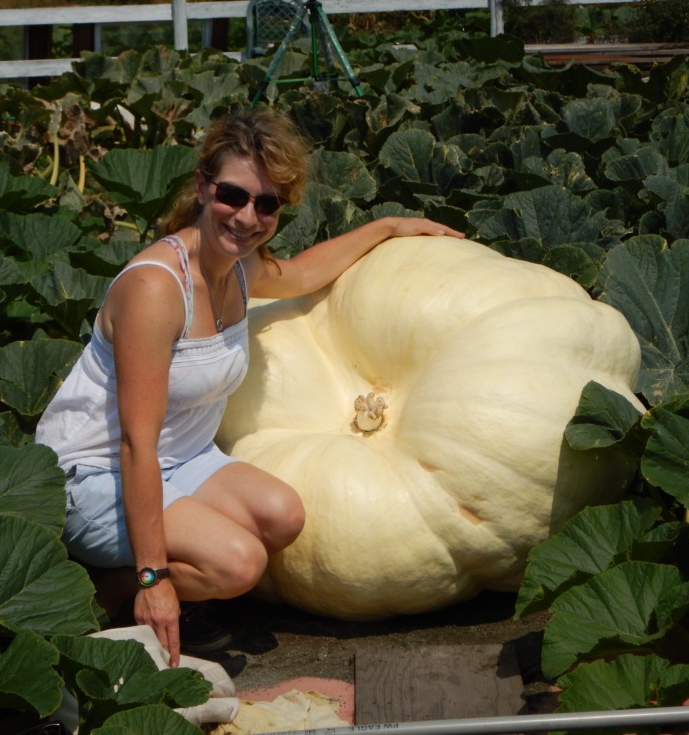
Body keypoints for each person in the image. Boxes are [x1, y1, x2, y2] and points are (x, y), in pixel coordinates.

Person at [36, 107, 465, 667]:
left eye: (267, 204)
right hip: (97, 474)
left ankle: (174, 577)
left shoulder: (239, 268)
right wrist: (153, 576)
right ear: (202, 187)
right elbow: (135, 444)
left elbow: (304, 273)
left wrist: (388, 227)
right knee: (239, 564)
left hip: (181, 459)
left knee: (282, 516)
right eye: (233, 196)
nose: (247, 217)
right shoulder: (155, 290)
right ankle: (105, 593)